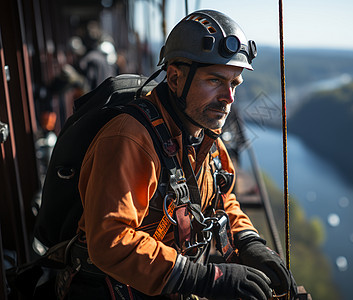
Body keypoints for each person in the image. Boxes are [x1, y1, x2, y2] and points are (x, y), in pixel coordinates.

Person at [67, 9, 298, 299]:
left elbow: (221, 198)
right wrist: (205, 278)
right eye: (215, 81)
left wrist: (249, 241)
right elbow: (111, 240)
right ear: (175, 79)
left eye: (234, 84)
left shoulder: (207, 137)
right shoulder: (129, 139)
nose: (229, 98)